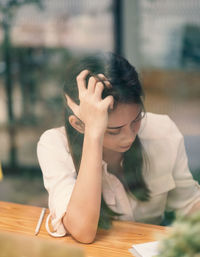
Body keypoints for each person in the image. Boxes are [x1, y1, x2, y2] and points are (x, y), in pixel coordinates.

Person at [37, 52, 200, 243]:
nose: (129, 136)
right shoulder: (54, 144)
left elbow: (189, 204)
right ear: (78, 124)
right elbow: (82, 230)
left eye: (136, 119)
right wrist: (93, 134)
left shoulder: (162, 131)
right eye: (114, 130)